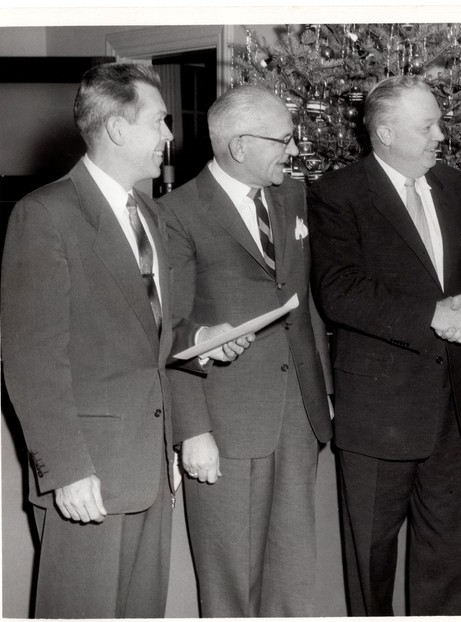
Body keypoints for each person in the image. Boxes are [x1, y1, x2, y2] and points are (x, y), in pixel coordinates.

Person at [0, 63, 245, 618]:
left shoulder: (149, 214)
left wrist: (202, 336)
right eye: (159, 121)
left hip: (148, 470)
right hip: (87, 475)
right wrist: (65, 470)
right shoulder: (46, 215)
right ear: (116, 129)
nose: (169, 135)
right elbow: (31, 360)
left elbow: (150, 331)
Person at [307, 75, 461, 616]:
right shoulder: (337, 193)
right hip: (379, 410)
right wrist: (430, 316)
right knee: (370, 555)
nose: (442, 135)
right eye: (428, 126)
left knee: (449, 547)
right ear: (386, 132)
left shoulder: (456, 187)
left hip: (451, 403)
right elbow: (339, 291)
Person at [159, 85, 334, 617]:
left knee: (293, 567)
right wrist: (192, 430)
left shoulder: (293, 196)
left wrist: (322, 391)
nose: (294, 150)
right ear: (239, 146)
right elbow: (171, 330)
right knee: (231, 576)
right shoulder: (176, 214)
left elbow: (306, 305)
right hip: (225, 420)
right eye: (283, 139)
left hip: (297, 412)